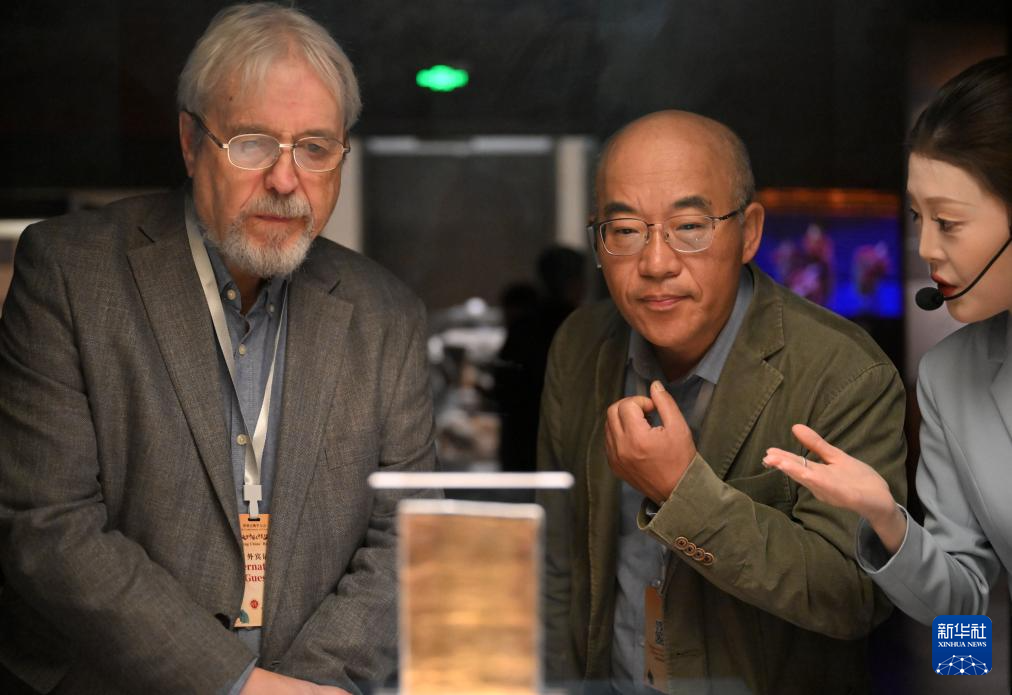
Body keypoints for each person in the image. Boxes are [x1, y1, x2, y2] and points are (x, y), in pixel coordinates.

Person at [0, 4, 436, 694]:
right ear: (190, 142)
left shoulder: (388, 315)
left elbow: (408, 532)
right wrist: (239, 684)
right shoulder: (71, 273)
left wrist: (307, 689)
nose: (285, 180)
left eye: (315, 148)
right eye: (253, 143)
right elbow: (48, 525)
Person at [536, 110, 908, 694]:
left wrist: (683, 492)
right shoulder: (581, 348)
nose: (656, 264)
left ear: (750, 233)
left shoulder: (843, 374)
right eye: (625, 230)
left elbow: (855, 596)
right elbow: (557, 563)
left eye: (690, 226)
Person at [763, 56, 1012, 627]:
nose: (924, 248)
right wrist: (888, 521)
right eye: (918, 217)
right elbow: (964, 609)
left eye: (948, 222)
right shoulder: (950, 377)